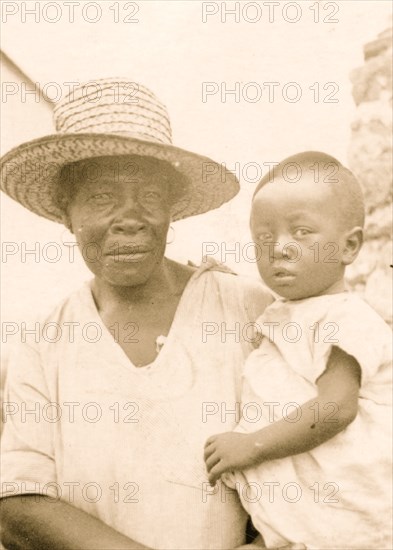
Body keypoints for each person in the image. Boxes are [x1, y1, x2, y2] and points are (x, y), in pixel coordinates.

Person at [0, 78, 305, 550]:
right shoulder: (45, 342)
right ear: (66, 212)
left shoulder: (250, 311)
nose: (130, 217)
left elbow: (318, 458)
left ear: (171, 210)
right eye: (101, 197)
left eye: (150, 196)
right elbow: (19, 502)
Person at [204, 151, 392, 549]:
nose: (279, 248)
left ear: (350, 245)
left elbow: (336, 407)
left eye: (302, 231)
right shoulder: (283, 317)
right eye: (263, 238)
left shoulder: (346, 316)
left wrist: (250, 446)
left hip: (349, 525)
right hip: (297, 527)